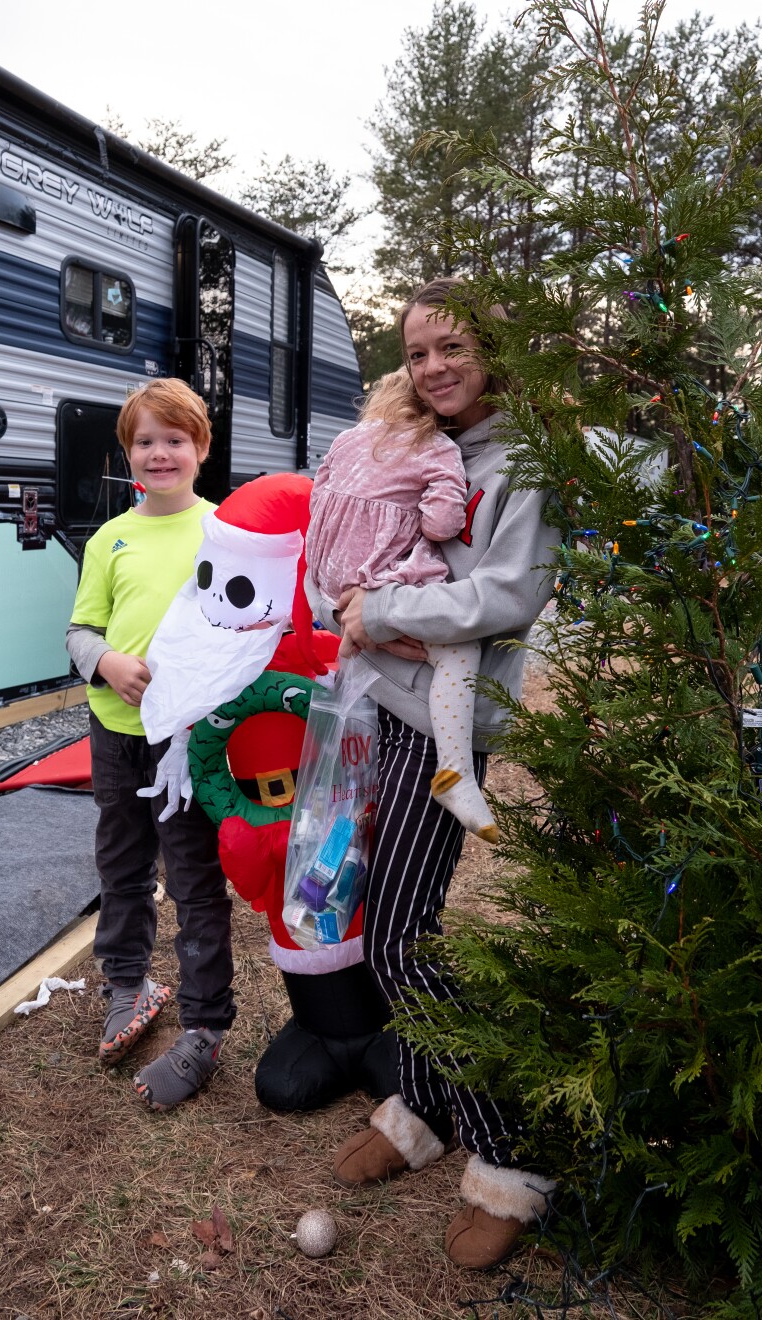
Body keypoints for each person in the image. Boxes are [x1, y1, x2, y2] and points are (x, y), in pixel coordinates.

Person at [305, 278, 557, 1270]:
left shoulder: (522, 456)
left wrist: (387, 616)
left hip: (442, 728)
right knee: (379, 925)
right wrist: (349, 605)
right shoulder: (414, 440)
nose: (433, 369)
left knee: (403, 941)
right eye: (416, 354)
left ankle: (510, 1157)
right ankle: (417, 1109)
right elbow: (361, 542)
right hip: (381, 703)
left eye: (450, 348)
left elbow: (509, 590)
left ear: (492, 346)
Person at [65, 378, 235, 1112]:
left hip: (189, 744)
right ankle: (127, 987)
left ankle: (204, 1027)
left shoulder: (227, 532)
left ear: (201, 447)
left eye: (175, 439)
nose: (159, 453)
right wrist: (105, 662)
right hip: (117, 736)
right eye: (144, 441)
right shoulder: (111, 538)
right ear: (126, 454)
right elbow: (80, 631)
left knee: (195, 881)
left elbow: (247, 630)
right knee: (123, 867)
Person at [305, 368, 498, 842]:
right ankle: (456, 773)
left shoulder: (350, 437)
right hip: (376, 576)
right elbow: (441, 523)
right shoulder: (438, 448)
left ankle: (356, 640)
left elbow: (318, 494)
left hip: (330, 576)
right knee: (458, 650)